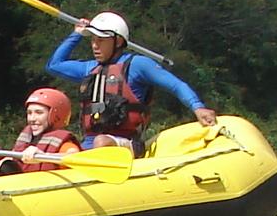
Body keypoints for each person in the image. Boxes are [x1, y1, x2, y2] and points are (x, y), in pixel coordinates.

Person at [46, 11, 216, 148]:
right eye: (92, 39)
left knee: (101, 142)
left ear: (118, 41)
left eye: (101, 40)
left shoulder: (138, 65)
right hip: (89, 143)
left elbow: (176, 85)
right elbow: (54, 65)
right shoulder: (89, 68)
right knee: (63, 145)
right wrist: (76, 34)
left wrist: (198, 108)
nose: (94, 45)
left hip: (126, 142)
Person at [0, 87, 82, 174]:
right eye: (29, 113)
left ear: (56, 115)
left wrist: (43, 156)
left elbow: (74, 158)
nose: (32, 118)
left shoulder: (66, 145)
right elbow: (12, 159)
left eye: (39, 113)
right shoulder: (28, 138)